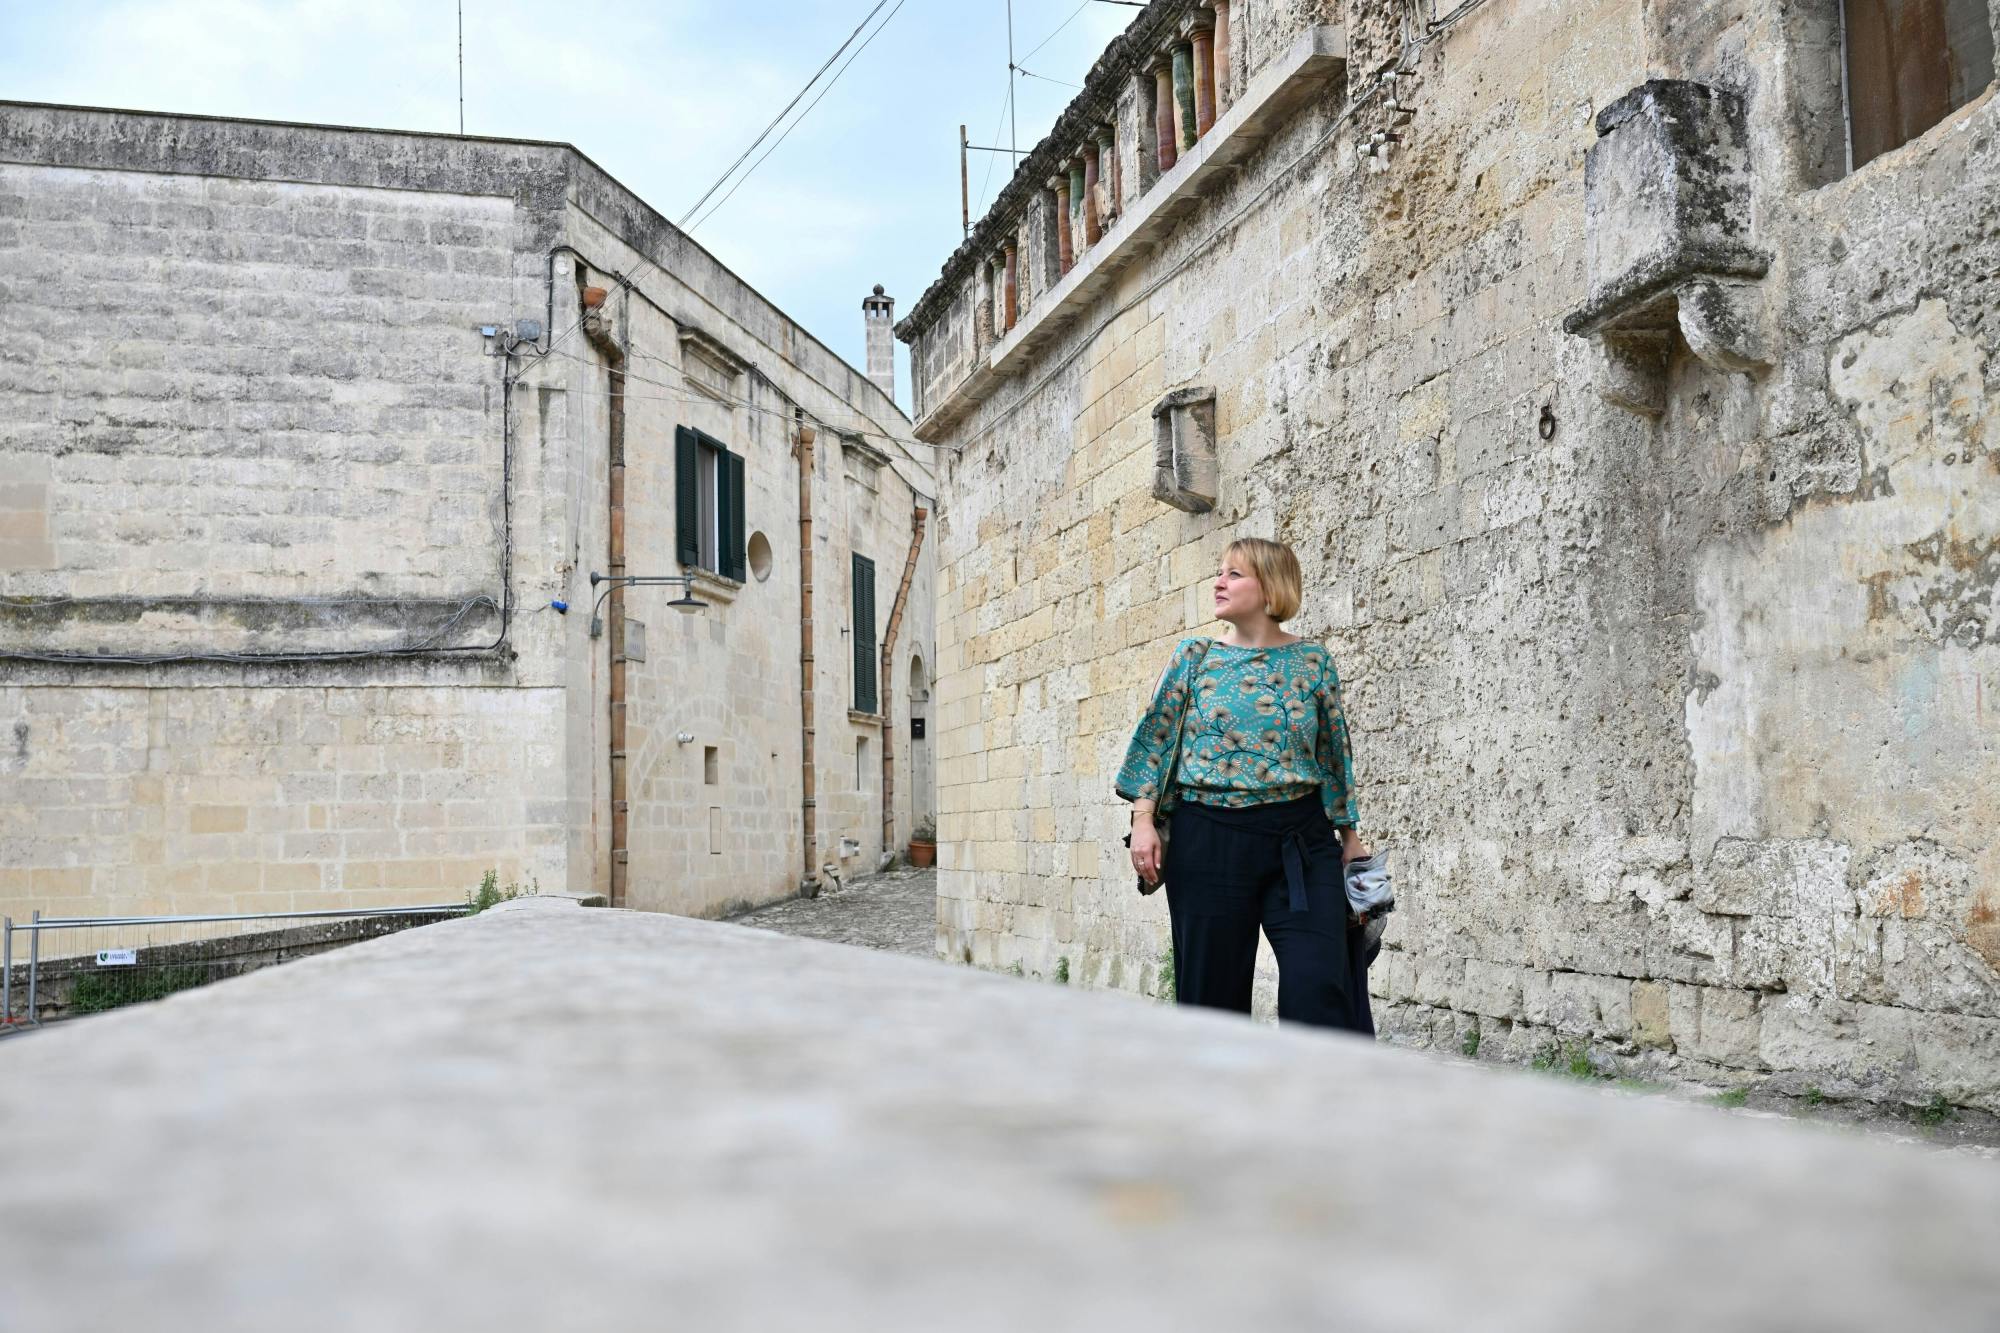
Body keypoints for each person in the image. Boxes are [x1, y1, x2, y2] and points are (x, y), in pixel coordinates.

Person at [1115, 537, 1374, 1035]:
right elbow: (1157, 738)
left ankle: (1316, 1103)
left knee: (1320, 985)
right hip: (1208, 840)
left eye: (1234, 574)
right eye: (1219, 571)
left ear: (1271, 586)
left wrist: (1349, 836)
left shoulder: (1313, 661)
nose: (1219, 582)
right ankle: (1220, 1107)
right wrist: (1143, 819)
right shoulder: (1194, 657)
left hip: (1299, 841)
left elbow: (1333, 753)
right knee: (1211, 1002)